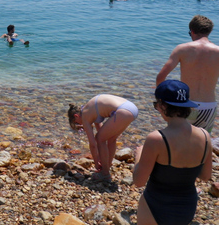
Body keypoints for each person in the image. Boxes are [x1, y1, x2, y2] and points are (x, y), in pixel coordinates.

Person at [133, 80, 212, 225]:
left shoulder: (156, 139)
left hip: (156, 205)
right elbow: (205, 176)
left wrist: (139, 156)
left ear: (162, 105)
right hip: (187, 208)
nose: (157, 108)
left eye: (156, 104)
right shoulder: (205, 136)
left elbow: (138, 181)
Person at [156, 15, 219, 132]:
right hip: (209, 106)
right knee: (202, 143)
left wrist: (161, 100)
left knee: (178, 141)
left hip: (185, 105)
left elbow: (161, 77)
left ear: (192, 31)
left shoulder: (182, 49)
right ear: (209, 32)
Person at [67, 94, 138, 181]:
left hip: (122, 111)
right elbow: (102, 132)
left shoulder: (85, 115)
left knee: (99, 138)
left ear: (76, 116)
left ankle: (105, 174)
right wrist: (102, 157)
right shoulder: (90, 108)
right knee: (111, 139)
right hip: (132, 108)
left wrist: (96, 163)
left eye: (77, 122)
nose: (80, 125)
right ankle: (107, 167)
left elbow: (93, 144)